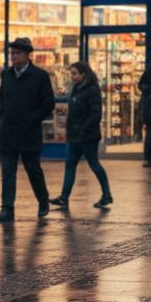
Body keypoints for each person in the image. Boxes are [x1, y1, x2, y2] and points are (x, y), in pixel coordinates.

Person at [0, 37, 54, 223]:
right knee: (8, 171)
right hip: (9, 132)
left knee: (33, 170)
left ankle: (43, 200)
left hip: (29, 132)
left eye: (17, 53)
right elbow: (2, 99)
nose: (14, 57)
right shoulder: (6, 75)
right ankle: (7, 208)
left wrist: (33, 119)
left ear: (28, 55)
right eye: (12, 53)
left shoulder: (40, 76)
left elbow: (48, 103)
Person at [48, 62, 112, 210]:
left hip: (87, 136)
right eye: (72, 74)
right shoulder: (76, 89)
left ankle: (106, 194)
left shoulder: (92, 90)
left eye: (75, 73)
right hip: (74, 136)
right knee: (70, 166)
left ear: (84, 74)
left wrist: (82, 128)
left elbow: (96, 114)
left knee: (94, 164)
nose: (73, 77)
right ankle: (64, 197)